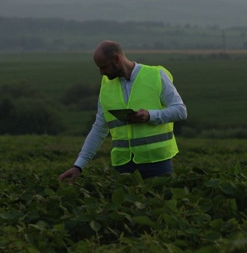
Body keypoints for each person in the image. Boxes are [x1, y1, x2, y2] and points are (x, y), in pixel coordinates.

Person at [58, 40, 187, 182]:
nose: (101, 72)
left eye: (104, 67)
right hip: (123, 166)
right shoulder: (106, 87)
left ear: (117, 59)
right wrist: (78, 166)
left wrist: (150, 116)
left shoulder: (156, 75)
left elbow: (180, 110)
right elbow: (99, 128)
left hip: (158, 163)